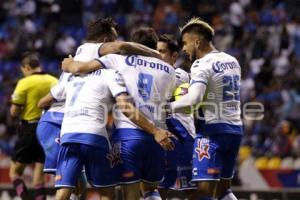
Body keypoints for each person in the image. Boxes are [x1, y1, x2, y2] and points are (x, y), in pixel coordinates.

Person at [55, 23, 174, 200]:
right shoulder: (169, 70)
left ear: (135, 44)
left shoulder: (116, 61)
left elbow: (79, 68)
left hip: (127, 135)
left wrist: (69, 64)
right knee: (150, 190)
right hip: (157, 137)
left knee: (129, 194)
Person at [168, 17, 243, 200]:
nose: (184, 49)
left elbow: (194, 99)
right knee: (223, 190)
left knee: (202, 192)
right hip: (234, 130)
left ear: (197, 41)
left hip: (212, 133)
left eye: (185, 43)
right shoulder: (232, 61)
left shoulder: (201, 64)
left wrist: (166, 107)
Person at [10, 52, 58, 200]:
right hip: (49, 129)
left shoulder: (24, 83)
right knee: (39, 175)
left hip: (29, 129)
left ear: (26, 67)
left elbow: (14, 112)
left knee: (15, 172)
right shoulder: (54, 81)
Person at [156, 34, 197, 199]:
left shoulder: (180, 75)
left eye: (162, 52)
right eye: (155, 51)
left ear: (174, 56)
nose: (157, 55)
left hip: (183, 136)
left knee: (191, 191)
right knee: (159, 188)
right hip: (163, 136)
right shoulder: (152, 73)